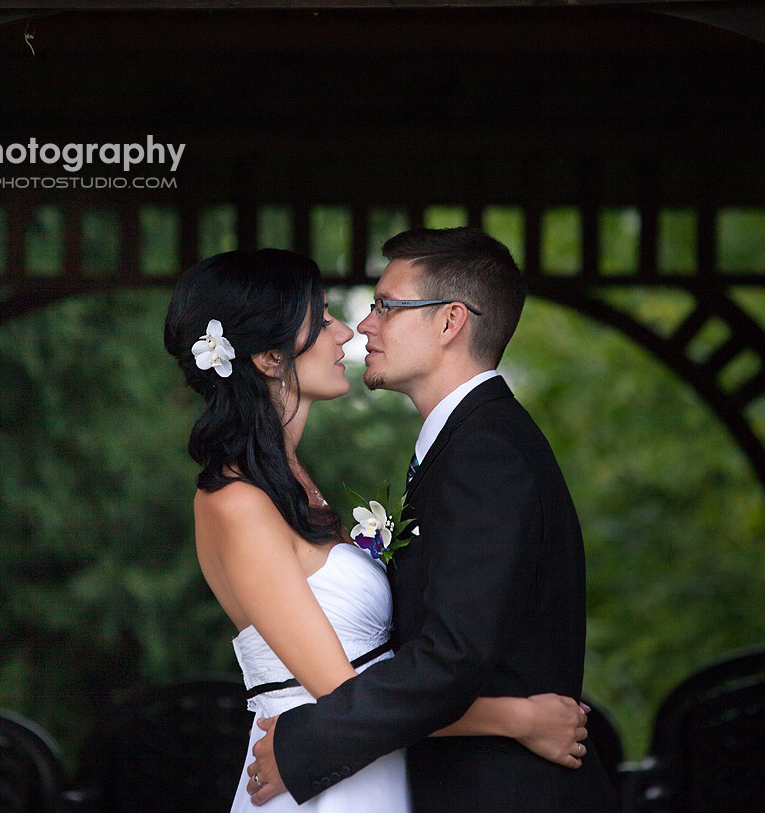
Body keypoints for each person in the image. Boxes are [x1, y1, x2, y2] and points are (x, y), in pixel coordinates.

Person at [163, 247, 593, 813]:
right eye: (320, 320)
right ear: (269, 357)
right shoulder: (237, 502)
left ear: (450, 321)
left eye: (384, 307)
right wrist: (520, 717)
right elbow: (343, 692)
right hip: (320, 781)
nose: (348, 330)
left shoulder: (297, 488)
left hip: (360, 764)